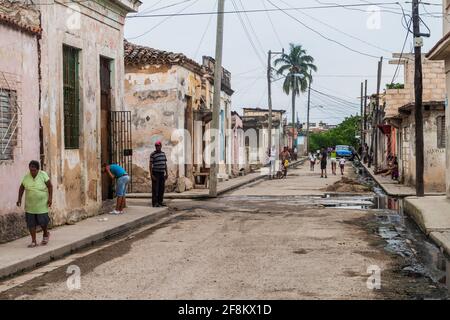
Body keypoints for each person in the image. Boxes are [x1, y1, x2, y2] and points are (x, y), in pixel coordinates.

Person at [17, 160, 53, 248]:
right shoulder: (27, 177)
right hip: (30, 205)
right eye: (31, 169)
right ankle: (33, 241)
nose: (32, 171)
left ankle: (45, 234)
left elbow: (50, 186)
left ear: (38, 170)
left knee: (42, 222)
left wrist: (50, 198)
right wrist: (19, 199)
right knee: (31, 223)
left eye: (34, 170)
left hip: (42, 204)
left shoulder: (43, 175)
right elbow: (21, 188)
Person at [150, 140, 168, 207]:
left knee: (161, 188)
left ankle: (160, 202)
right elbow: (150, 165)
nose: (157, 147)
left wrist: (167, 173)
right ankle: (155, 203)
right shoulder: (153, 154)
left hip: (162, 173)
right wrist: (151, 174)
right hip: (155, 173)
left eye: (158, 146)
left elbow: (165, 164)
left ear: (161, 146)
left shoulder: (163, 153)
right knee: (155, 189)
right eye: (156, 146)